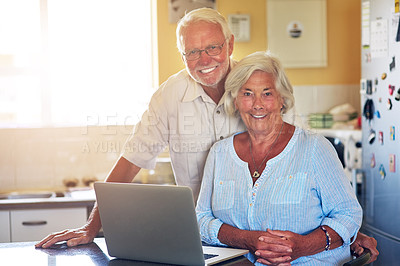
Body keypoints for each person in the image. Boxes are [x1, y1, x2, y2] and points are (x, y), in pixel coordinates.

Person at [35, 8, 378, 262]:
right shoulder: (169, 96)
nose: (204, 60)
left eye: (212, 47)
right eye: (192, 52)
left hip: (279, 245)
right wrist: (91, 227)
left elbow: (303, 164)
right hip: (211, 240)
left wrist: (333, 234)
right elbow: (130, 162)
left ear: (229, 44)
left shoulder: (257, 87)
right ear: (183, 55)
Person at [195, 51, 363, 265]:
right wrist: (247, 240)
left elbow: (348, 214)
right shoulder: (219, 153)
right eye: (247, 94)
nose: (257, 104)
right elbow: (201, 220)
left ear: (282, 99)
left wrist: (303, 245)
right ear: (235, 101)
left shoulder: (314, 148)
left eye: (267, 93)